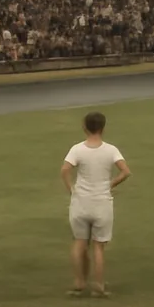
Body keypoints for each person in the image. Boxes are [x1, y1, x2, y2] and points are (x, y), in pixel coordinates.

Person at [60, 111, 130, 297]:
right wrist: (110, 184)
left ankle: (79, 282)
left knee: (79, 243)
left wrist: (71, 189)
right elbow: (125, 171)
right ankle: (98, 285)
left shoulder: (77, 149)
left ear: (85, 127)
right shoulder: (110, 150)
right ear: (103, 128)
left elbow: (65, 170)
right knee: (98, 246)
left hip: (81, 202)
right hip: (102, 202)